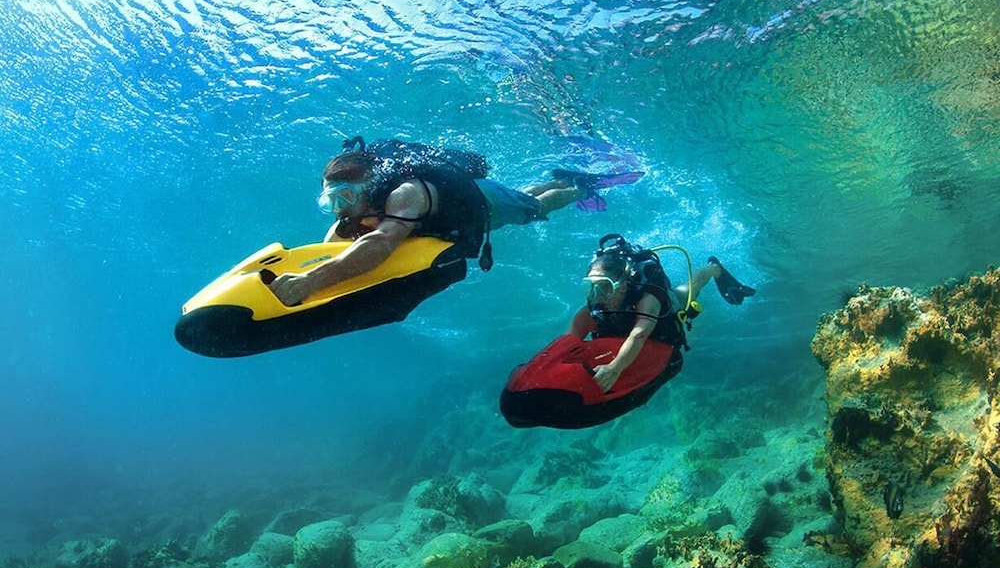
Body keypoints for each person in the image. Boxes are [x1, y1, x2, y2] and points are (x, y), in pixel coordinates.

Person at [269, 137, 642, 306]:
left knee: (533, 210)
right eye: (329, 200)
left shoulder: (403, 195)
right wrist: (313, 264)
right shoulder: (362, 205)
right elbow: (339, 234)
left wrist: (311, 281)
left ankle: (577, 186)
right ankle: (558, 178)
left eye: (345, 197)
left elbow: (380, 243)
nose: (339, 208)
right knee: (523, 196)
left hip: (486, 202)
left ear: (369, 187)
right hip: (476, 196)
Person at [571, 234, 756, 392]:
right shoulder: (593, 306)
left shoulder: (648, 300)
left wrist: (614, 368)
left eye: (604, 287)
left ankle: (713, 268)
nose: (597, 295)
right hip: (630, 323)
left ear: (623, 285)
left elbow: (639, 334)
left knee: (691, 288)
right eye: (590, 287)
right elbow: (566, 341)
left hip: (666, 308)